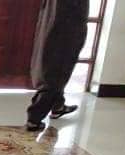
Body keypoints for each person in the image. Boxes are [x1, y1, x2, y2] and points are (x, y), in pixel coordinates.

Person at [25, 0, 89, 132]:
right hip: (65, 23)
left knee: (52, 63)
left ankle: (57, 106)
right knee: (57, 68)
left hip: (56, 20)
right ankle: (34, 119)